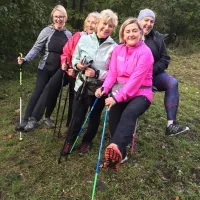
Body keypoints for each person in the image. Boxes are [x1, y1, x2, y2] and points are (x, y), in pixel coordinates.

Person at [23, 12, 100, 132]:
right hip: (66, 69)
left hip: (81, 74)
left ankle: (71, 125)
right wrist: (64, 62)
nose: (90, 25)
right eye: (89, 22)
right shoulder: (77, 36)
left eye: (94, 23)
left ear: (98, 25)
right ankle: (34, 119)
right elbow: (66, 51)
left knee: (74, 97)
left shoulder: (98, 42)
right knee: (50, 87)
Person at [95, 17, 154, 171]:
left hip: (141, 92)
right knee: (114, 116)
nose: (131, 34)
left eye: (134, 30)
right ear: (123, 34)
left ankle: (115, 147)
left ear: (141, 33)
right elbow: (112, 73)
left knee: (129, 113)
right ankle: (121, 153)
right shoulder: (118, 50)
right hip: (120, 89)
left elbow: (135, 82)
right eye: (127, 31)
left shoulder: (145, 53)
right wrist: (105, 88)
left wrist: (116, 97)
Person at [61, 9, 118, 156]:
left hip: (100, 88)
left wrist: (97, 73)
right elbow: (74, 58)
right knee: (77, 115)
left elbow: (114, 72)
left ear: (113, 28)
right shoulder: (84, 39)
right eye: (104, 24)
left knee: (94, 117)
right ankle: (69, 141)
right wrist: (78, 66)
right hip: (82, 84)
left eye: (110, 26)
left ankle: (87, 141)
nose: (106, 28)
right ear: (98, 24)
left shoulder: (115, 47)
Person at [15, 5, 72, 132]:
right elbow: (36, 47)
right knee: (38, 91)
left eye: (61, 17)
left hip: (59, 70)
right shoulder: (46, 31)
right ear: (53, 17)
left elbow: (70, 52)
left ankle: (47, 117)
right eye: (56, 17)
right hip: (44, 68)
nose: (59, 19)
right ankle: (26, 119)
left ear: (65, 18)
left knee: (53, 94)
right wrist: (26, 59)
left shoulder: (68, 34)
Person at [137, 9, 189, 136]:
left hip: (153, 75)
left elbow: (165, 58)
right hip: (133, 77)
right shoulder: (130, 33)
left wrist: (152, 71)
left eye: (152, 21)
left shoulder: (158, 38)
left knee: (172, 82)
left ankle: (171, 125)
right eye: (146, 20)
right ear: (139, 20)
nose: (149, 24)